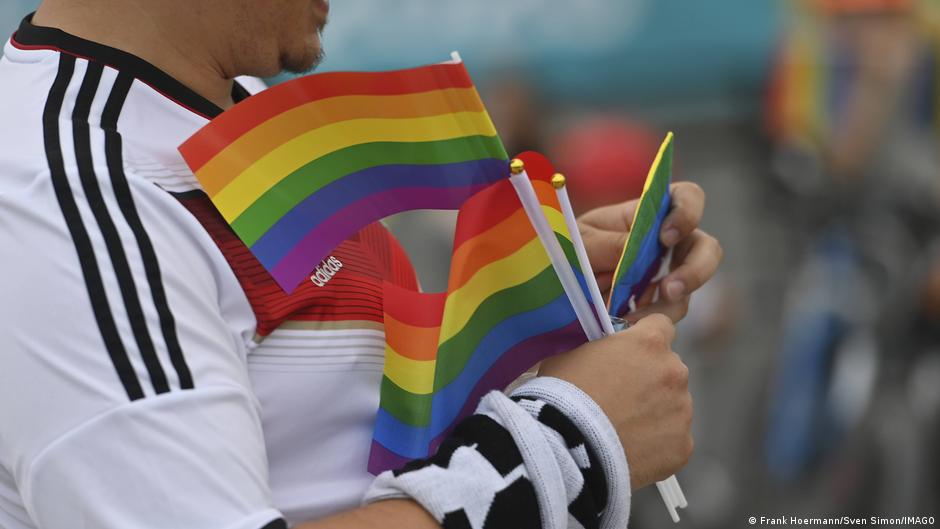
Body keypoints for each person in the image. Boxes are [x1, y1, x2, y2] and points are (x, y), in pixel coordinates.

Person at [0, 1, 723, 528]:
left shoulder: (232, 109)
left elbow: (342, 433)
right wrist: (565, 439)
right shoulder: (72, 197)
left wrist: (531, 307)